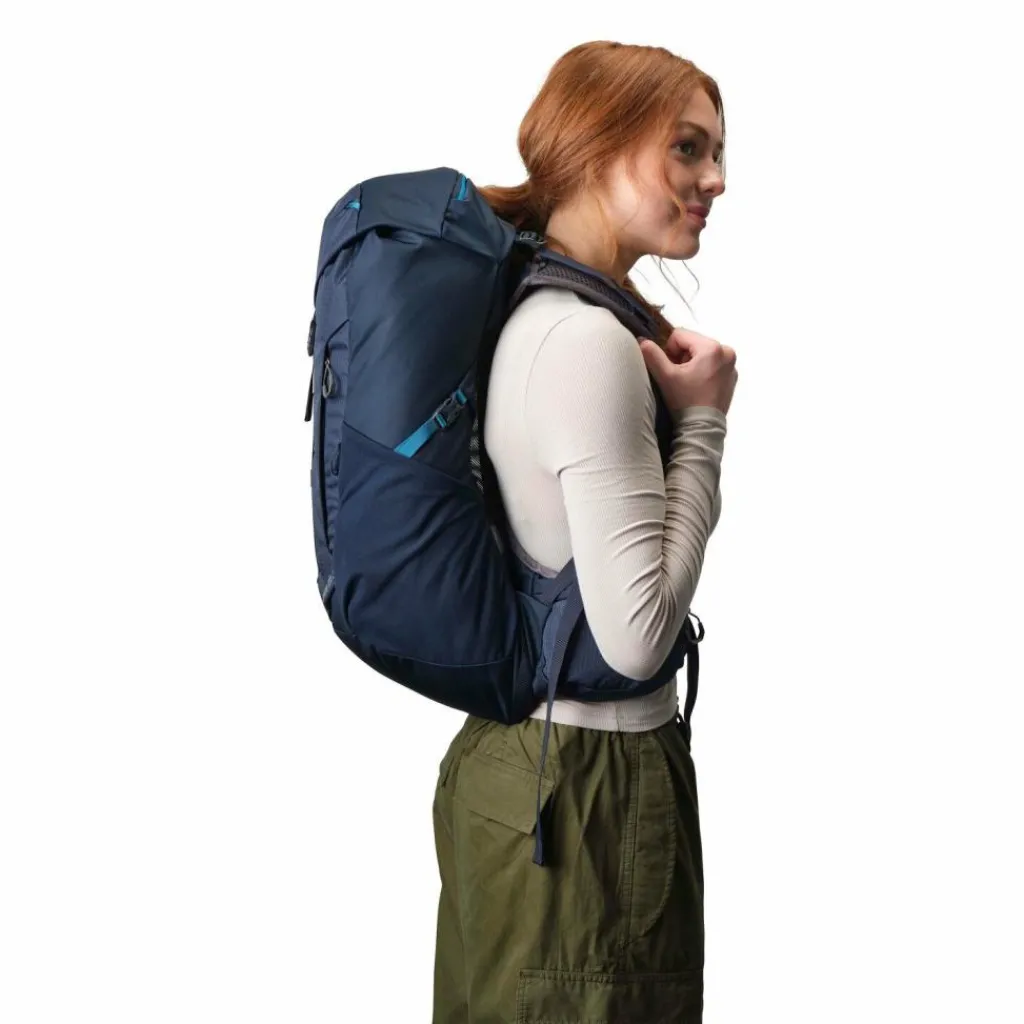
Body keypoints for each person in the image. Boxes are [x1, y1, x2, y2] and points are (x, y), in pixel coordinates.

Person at [431, 40, 737, 1024]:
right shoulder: (585, 342)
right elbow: (637, 635)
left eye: (717, 153)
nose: (715, 180)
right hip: (584, 796)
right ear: (599, 143)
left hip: (524, 773)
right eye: (687, 148)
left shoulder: (536, 306)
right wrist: (705, 423)